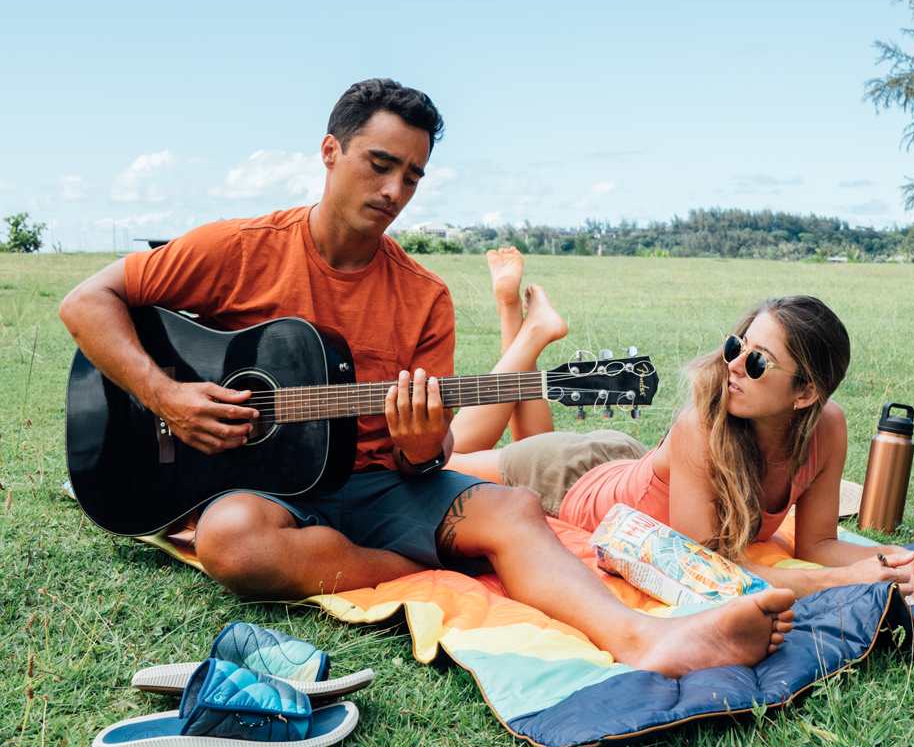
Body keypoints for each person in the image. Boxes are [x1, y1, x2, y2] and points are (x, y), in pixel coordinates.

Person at [58, 78, 797, 678]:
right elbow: (85, 301)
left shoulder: (423, 296)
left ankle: (645, 641)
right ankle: (409, 563)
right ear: (329, 151)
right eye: (379, 163)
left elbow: (426, 456)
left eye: (411, 175)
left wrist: (420, 445)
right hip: (255, 484)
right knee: (231, 543)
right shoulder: (238, 249)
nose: (394, 189)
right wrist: (166, 397)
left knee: (511, 510)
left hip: (378, 482)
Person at [445, 265, 914, 604]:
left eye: (756, 361)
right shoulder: (700, 428)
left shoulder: (828, 426)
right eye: (737, 345)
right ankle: (521, 323)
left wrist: (903, 561)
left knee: (508, 439)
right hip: (570, 479)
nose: (733, 364)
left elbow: (819, 542)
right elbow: (707, 571)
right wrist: (844, 580)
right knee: (442, 460)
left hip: (634, 464)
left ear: (805, 395)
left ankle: (520, 323)